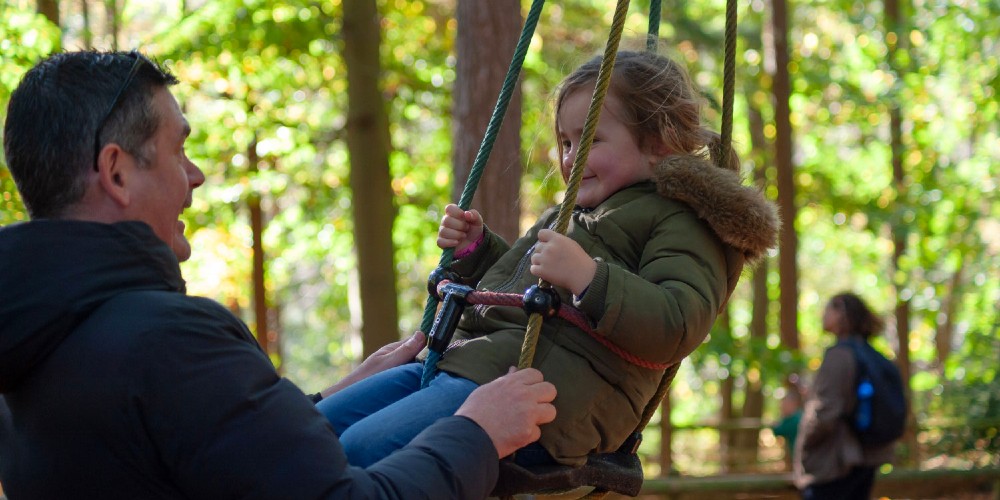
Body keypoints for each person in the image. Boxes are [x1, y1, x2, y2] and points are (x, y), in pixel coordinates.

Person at [0, 49, 557, 499]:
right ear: (117, 172)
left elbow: (191, 458)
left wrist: (325, 401)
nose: (195, 176)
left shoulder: (33, 342)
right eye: (179, 149)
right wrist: (477, 432)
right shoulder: (170, 342)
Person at [317, 49, 779, 468]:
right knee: (315, 429)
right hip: (468, 362)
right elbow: (521, 287)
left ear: (659, 141)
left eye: (591, 140)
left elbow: (679, 322)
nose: (572, 157)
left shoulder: (683, 219)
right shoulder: (572, 213)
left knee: (366, 449)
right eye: (565, 143)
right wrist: (477, 251)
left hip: (545, 398)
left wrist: (589, 278)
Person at [793, 292, 897, 499]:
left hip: (836, 461)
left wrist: (805, 445)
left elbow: (826, 411)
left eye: (828, 308)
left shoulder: (839, 355)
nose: (823, 314)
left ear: (842, 312)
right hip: (867, 458)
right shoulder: (872, 355)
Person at [771, 386, 804, 468]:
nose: (781, 407)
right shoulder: (799, 416)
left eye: (784, 404)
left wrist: (777, 422)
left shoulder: (794, 419)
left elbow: (778, 430)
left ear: (792, 404)